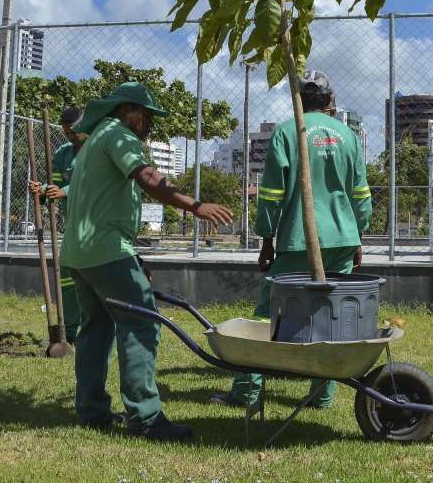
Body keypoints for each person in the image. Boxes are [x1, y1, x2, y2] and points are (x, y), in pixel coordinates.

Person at [34, 82, 233, 441]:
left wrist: (132, 254)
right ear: (126, 109)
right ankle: (145, 419)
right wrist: (196, 206)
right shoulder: (119, 135)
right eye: (148, 116)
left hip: (80, 253)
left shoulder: (93, 140)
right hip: (105, 251)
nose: (151, 125)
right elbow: (148, 178)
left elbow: (101, 205)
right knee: (142, 324)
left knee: (96, 330)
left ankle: (92, 413)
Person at [207, 70, 371, 410]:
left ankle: (246, 391)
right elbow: (360, 194)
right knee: (330, 314)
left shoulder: (286, 131)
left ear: (298, 99)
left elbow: (270, 194)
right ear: (329, 100)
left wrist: (267, 238)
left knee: (269, 314)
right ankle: (322, 394)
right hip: (342, 237)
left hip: (299, 239)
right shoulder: (348, 136)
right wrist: (357, 237)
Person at [34, 106, 87, 342]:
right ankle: (69, 334)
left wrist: (65, 191)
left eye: (74, 132)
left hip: (97, 227)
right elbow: (52, 185)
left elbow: (95, 186)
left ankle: (98, 331)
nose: (70, 137)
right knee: (66, 279)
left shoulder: (99, 151)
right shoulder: (62, 154)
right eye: (66, 133)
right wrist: (42, 190)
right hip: (72, 228)